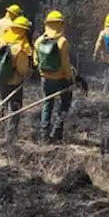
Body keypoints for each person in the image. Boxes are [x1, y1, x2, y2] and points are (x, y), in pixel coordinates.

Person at [34, 10, 85, 142]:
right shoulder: (62, 41)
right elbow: (65, 63)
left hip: (45, 78)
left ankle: (44, 134)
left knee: (47, 104)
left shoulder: (39, 41)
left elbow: (35, 61)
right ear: (61, 25)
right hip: (61, 79)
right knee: (65, 103)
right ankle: (57, 131)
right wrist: (70, 78)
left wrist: (43, 73)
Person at [0, 15, 34, 140]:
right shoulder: (20, 48)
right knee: (15, 106)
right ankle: (10, 136)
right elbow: (22, 70)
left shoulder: (1, 41)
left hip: (0, 78)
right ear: (23, 31)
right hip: (14, 81)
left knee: (2, 101)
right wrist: (29, 74)